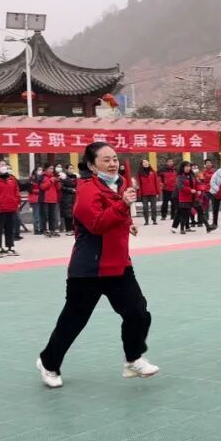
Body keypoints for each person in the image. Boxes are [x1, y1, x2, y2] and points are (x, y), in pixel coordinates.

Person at [36, 142, 157, 388]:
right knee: (74, 321)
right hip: (88, 270)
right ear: (91, 166)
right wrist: (123, 205)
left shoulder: (120, 184)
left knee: (138, 313)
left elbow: (117, 214)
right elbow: (97, 224)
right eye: (105, 160)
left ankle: (133, 359)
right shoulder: (87, 190)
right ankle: (48, 363)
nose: (112, 164)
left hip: (119, 265)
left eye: (114, 159)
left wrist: (128, 223)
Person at [0, 159, 21, 257]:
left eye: (4, 165)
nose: (4, 167)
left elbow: (16, 190)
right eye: (1, 165)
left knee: (10, 228)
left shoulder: (11, 178)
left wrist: (16, 201)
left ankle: (10, 247)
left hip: (11, 207)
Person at [172, 161, 196, 234]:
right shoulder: (180, 176)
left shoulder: (191, 175)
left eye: (189, 166)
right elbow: (180, 186)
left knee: (187, 212)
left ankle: (187, 227)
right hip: (178, 196)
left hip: (189, 196)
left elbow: (195, 184)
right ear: (182, 167)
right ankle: (176, 228)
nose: (188, 168)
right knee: (181, 212)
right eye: (186, 166)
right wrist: (190, 190)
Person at [136, 159, 161, 226]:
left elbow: (156, 182)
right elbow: (138, 184)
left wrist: (158, 192)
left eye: (146, 162)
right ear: (142, 164)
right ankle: (146, 220)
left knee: (154, 207)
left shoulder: (153, 172)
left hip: (153, 192)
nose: (145, 163)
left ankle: (154, 220)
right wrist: (139, 193)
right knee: (145, 208)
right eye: (144, 162)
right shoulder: (139, 173)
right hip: (144, 193)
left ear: (149, 163)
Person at [60, 164, 79, 233]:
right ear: (66, 169)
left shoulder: (76, 176)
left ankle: (74, 229)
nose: (72, 170)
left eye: (72, 168)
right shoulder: (63, 177)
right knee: (67, 214)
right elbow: (61, 187)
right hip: (67, 197)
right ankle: (68, 229)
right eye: (70, 168)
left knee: (74, 213)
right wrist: (70, 190)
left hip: (74, 197)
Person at [27, 168, 43, 235]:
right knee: (36, 215)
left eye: (41, 170)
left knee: (40, 215)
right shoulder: (32, 179)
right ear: (35, 171)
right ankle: (36, 229)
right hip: (34, 199)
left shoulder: (41, 178)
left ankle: (41, 228)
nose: (40, 171)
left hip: (40, 199)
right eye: (39, 170)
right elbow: (30, 189)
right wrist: (39, 191)